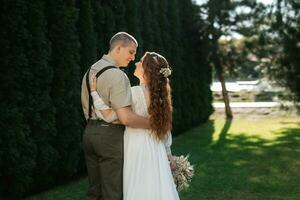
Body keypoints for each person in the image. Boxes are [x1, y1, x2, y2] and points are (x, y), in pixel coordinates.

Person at [90, 52, 180, 200]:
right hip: (156, 147)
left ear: (146, 70)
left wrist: (94, 93)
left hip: (136, 147)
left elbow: (109, 116)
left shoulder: (134, 92)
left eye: (140, 62)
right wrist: (168, 153)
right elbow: (164, 129)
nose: (137, 63)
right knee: (156, 186)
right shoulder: (162, 96)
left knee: (139, 186)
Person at [81, 32, 150, 200]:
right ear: (119, 48)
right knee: (113, 192)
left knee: (94, 192)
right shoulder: (118, 75)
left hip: (89, 134)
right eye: (131, 52)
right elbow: (126, 118)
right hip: (110, 137)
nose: (133, 58)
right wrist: (153, 123)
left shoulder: (90, 70)